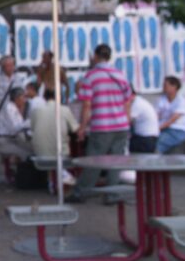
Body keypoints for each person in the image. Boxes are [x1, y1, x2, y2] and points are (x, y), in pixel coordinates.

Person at [67, 44, 133, 204]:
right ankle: (113, 195)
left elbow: (87, 105)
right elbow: (128, 101)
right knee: (116, 162)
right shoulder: (120, 75)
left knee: (94, 161)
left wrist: (82, 127)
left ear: (96, 56)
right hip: (121, 126)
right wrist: (127, 120)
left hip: (102, 126)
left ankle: (81, 193)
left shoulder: (91, 76)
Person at [30, 89, 79, 185]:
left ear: (44, 98)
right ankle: (65, 177)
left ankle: (53, 180)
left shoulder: (36, 111)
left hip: (39, 155)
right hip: (61, 156)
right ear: (60, 97)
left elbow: (33, 129)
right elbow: (76, 130)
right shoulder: (65, 110)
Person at [0, 87, 33, 160]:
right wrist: (29, 122)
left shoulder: (15, 107)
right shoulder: (9, 108)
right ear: (17, 98)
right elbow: (14, 128)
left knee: (31, 149)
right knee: (25, 154)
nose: (25, 100)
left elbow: (21, 125)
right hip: (4, 141)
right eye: (23, 97)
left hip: (14, 139)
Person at [156, 76, 185, 153]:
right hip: (162, 129)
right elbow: (157, 115)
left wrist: (158, 128)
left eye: (166, 85)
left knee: (160, 143)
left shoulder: (181, 101)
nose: (163, 87)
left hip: (176, 130)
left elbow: (172, 120)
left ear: (174, 87)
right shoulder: (161, 99)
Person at [0, 55, 23, 120]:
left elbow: (21, 94)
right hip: (2, 111)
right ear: (3, 67)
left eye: (12, 65)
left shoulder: (17, 78)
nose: (10, 68)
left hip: (14, 111)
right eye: (8, 66)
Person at [129, 89, 160, 153]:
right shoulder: (139, 101)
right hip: (144, 137)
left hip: (146, 138)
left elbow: (127, 120)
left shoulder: (137, 104)